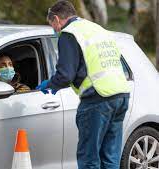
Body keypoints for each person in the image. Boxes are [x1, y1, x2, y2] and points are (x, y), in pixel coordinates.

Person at [36, 1, 130, 169]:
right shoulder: (97, 29)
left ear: (56, 19)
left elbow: (65, 75)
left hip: (97, 100)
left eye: (52, 25)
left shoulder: (69, 34)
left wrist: (49, 84)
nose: (55, 30)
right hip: (121, 94)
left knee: (89, 159)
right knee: (110, 159)